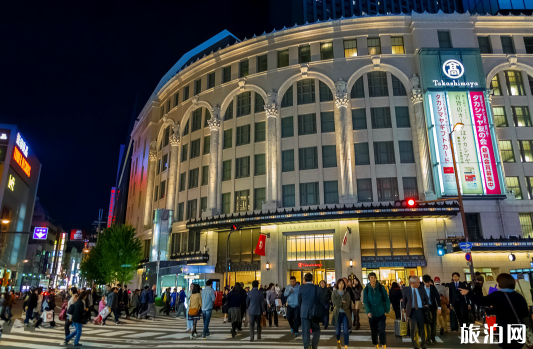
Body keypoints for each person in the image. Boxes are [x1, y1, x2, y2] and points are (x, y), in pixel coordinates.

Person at [459, 273, 530, 349]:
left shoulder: (497, 295)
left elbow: (481, 301)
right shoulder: (519, 296)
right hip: (518, 329)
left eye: (498, 282)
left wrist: (468, 293)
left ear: (501, 283)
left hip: (505, 330)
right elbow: (525, 314)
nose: (497, 284)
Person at [363, 272, 390, 349]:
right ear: (369, 279)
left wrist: (386, 310)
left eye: (374, 277)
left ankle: (383, 344)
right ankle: (376, 345)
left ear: (376, 278)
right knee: (374, 331)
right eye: (371, 278)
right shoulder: (367, 289)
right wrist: (368, 311)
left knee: (382, 330)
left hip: (381, 313)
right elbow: (365, 301)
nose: (373, 279)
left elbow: (386, 299)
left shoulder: (381, 288)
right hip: (372, 314)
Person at [402, 275, 429, 349]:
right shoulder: (406, 289)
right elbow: (404, 300)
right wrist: (403, 309)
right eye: (418, 282)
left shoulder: (421, 289)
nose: (419, 283)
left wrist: (427, 304)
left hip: (421, 311)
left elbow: (426, 297)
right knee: (413, 329)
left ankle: (423, 344)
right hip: (412, 311)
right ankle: (415, 345)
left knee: (422, 329)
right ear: (412, 283)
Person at [298, 272, 324, 349]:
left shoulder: (301, 288)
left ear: (304, 279)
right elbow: (321, 300)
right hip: (314, 312)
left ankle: (306, 346)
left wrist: (301, 309)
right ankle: (314, 346)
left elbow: (299, 301)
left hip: (304, 311)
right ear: (312, 279)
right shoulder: (317, 288)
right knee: (316, 329)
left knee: (305, 331)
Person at [331, 279, 352, 349]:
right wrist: (341, 302)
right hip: (337, 313)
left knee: (346, 330)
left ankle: (346, 345)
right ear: (337, 284)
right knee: (337, 331)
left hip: (345, 313)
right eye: (340, 283)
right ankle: (338, 341)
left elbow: (348, 303)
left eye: (342, 283)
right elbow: (334, 302)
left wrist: (339, 304)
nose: (341, 285)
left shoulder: (347, 293)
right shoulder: (334, 292)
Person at [422, 275, 441, 344]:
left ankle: (432, 338)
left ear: (430, 281)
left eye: (428, 282)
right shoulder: (421, 288)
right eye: (425, 282)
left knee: (433, 323)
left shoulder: (433, 288)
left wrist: (439, 307)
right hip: (424, 308)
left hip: (432, 307)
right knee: (426, 323)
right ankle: (427, 338)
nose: (427, 284)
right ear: (423, 282)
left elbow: (437, 297)